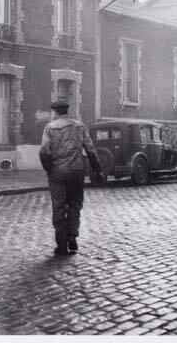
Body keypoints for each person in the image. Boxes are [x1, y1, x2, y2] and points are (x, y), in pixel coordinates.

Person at [39, 100, 103, 255]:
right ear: (66, 111)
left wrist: (49, 168)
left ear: (55, 112)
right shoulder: (79, 126)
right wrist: (97, 169)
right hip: (77, 171)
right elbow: (90, 149)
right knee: (75, 205)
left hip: (58, 172)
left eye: (53, 112)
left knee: (59, 206)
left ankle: (61, 244)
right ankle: (73, 236)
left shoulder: (50, 128)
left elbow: (44, 151)